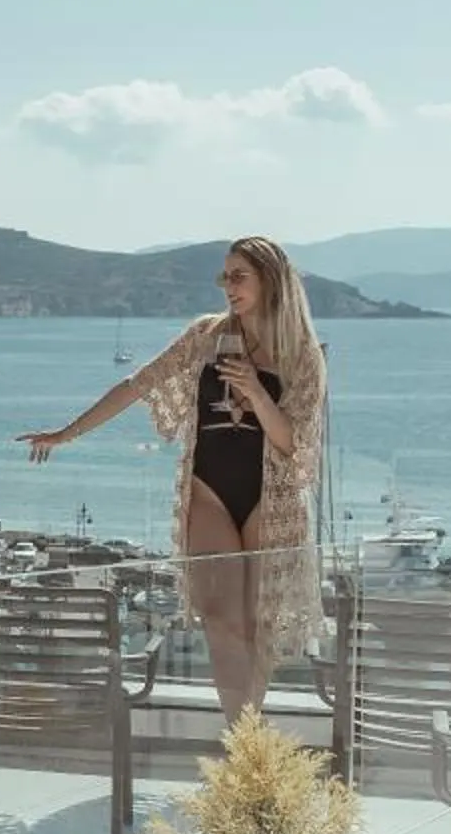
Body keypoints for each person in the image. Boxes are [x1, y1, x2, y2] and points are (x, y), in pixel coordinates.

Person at [17, 237, 327, 718]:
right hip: (208, 491)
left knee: (257, 627)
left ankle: (250, 749)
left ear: (271, 279)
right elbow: (137, 384)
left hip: (273, 497)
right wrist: (67, 433)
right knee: (222, 623)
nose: (228, 285)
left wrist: (257, 394)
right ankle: (238, 744)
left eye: (238, 275)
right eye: (224, 276)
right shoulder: (206, 334)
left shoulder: (302, 354)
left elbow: (297, 445)